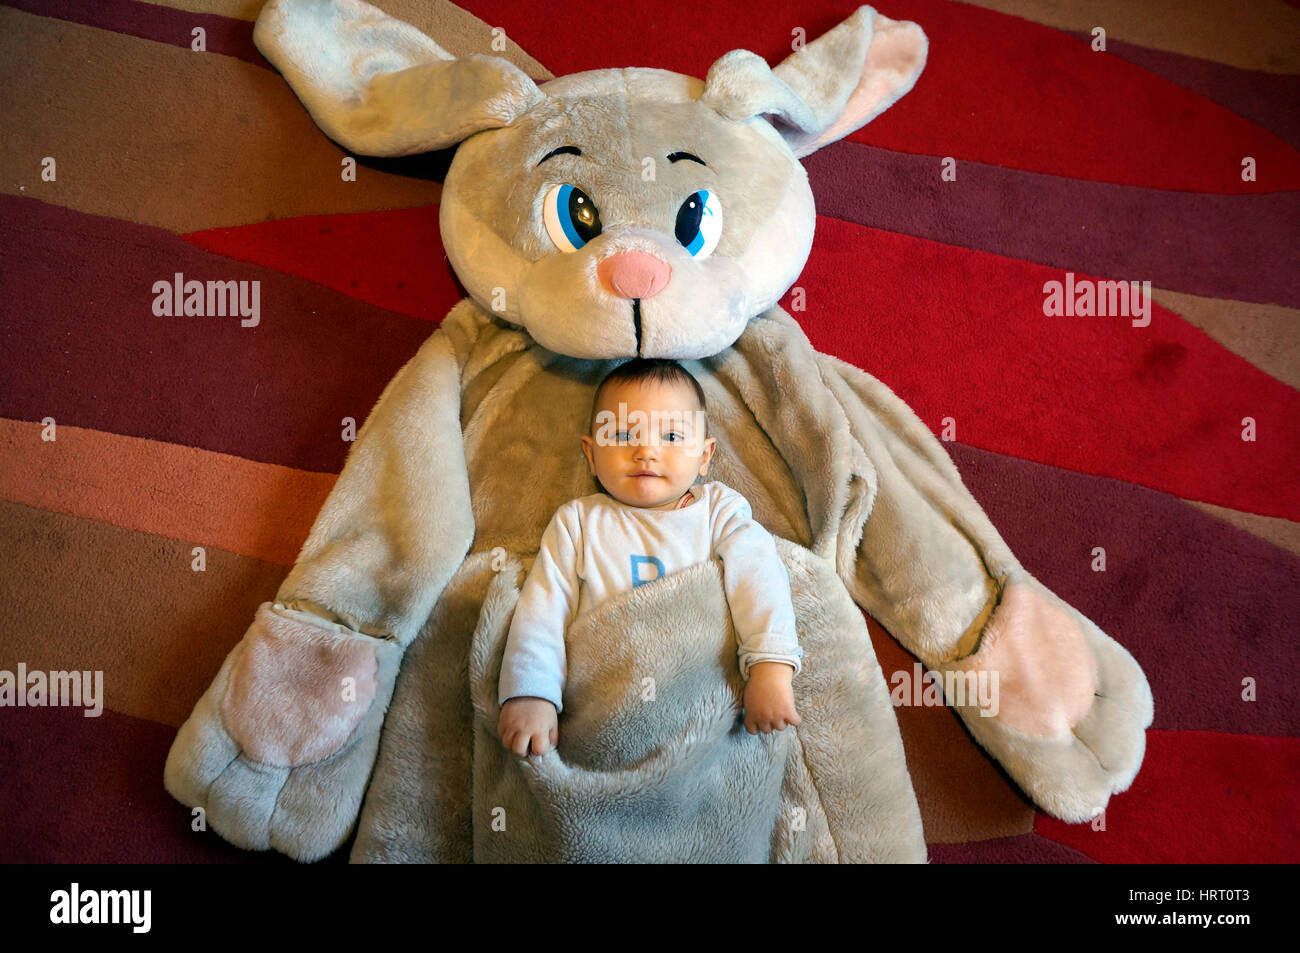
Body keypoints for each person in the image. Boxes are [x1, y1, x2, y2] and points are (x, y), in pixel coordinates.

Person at [496, 357, 803, 757]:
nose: (646, 451)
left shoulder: (719, 512)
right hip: (606, 704)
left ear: (705, 456)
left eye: (672, 437)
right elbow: (543, 608)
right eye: (623, 434)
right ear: (591, 455)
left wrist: (770, 668)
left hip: (704, 703)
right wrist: (531, 693)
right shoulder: (580, 522)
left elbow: (760, 580)